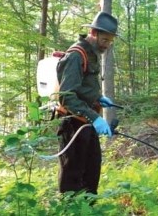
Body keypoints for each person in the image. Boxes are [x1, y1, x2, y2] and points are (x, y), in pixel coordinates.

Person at [56, 11, 118, 195]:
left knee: (91, 172)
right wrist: (95, 117)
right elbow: (66, 96)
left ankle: (90, 209)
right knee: (72, 176)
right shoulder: (76, 55)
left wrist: (97, 97)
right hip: (73, 123)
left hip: (87, 123)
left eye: (110, 41)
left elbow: (82, 87)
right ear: (93, 33)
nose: (107, 45)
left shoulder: (92, 54)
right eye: (105, 40)